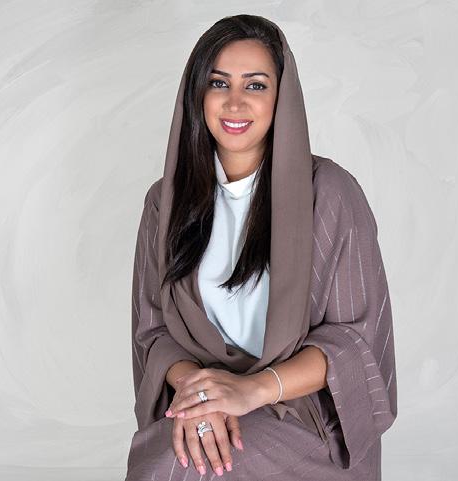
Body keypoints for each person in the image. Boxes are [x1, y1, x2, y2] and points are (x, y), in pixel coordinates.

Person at [125, 14, 397, 481]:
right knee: (168, 462)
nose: (235, 102)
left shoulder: (329, 193)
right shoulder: (164, 203)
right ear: (197, 94)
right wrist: (203, 395)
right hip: (206, 404)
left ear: (281, 96)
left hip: (305, 415)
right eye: (219, 83)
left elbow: (355, 342)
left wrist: (250, 391)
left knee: (181, 471)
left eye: (255, 85)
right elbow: (154, 333)